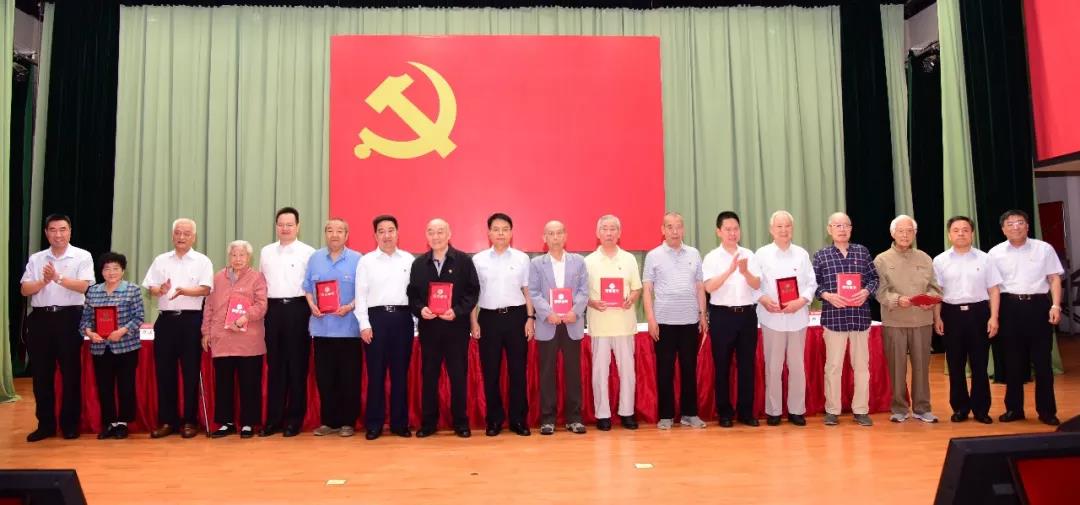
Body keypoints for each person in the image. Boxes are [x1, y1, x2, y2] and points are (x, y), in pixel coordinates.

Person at [21, 214, 95, 442]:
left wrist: (57, 277)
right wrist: (43, 281)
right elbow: (24, 290)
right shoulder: (37, 258)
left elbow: (84, 287)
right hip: (40, 319)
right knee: (41, 375)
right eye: (53, 230)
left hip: (70, 318)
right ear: (46, 233)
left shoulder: (82, 256)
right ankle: (45, 424)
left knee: (70, 373)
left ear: (70, 231)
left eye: (63, 229)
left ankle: (70, 425)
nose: (58, 234)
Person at [989, 209, 1065, 425]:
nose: (1016, 227)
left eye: (1020, 222)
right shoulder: (995, 253)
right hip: (1009, 308)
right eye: (1010, 224)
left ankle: (1047, 411)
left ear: (1027, 226)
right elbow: (993, 287)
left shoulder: (1044, 249)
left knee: (1042, 362)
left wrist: (1056, 305)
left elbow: (1054, 279)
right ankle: (1014, 409)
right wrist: (994, 315)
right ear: (1003, 229)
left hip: (1038, 307)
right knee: (1012, 361)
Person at [407, 218, 480, 438]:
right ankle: (428, 423)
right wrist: (421, 309)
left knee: (458, 376)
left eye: (440, 232)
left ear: (449, 234)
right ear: (426, 236)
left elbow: (473, 292)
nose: (436, 236)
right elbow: (413, 295)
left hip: (456, 329)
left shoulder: (463, 261)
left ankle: (461, 423)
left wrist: (457, 311)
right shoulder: (419, 264)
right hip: (429, 329)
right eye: (431, 232)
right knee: (429, 377)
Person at [143, 218, 214, 439]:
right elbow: (151, 286)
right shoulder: (161, 260)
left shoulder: (202, 261)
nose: (181, 237)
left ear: (194, 237)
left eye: (186, 233)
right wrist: (159, 290)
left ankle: (190, 421)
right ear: (172, 235)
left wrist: (184, 291)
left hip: (191, 321)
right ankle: (168, 421)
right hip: (165, 321)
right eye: (178, 233)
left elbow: (206, 289)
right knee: (164, 372)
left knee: (191, 372)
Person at [471, 213, 535, 437]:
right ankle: (494, 420)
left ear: (511, 232)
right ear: (488, 233)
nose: (500, 233)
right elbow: (473, 294)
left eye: (505, 229)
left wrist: (530, 318)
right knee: (491, 372)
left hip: (516, 318)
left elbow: (527, 291)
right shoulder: (478, 260)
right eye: (496, 229)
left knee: (518, 371)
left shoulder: (522, 258)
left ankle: (518, 420)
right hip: (488, 319)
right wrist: (473, 321)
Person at [932, 216, 1001, 424]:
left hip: (979, 314)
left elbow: (994, 290)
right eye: (956, 230)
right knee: (955, 365)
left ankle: (981, 409)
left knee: (980, 364)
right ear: (949, 234)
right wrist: (937, 317)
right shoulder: (940, 260)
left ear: (972, 233)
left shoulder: (985, 259)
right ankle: (960, 408)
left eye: (965, 229)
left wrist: (994, 317)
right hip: (951, 315)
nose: (960, 233)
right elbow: (937, 292)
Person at [812, 212, 879, 427]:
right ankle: (832, 410)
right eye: (837, 225)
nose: (842, 229)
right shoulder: (821, 255)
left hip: (859, 318)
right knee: (833, 366)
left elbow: (874, 278)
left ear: (851, 228)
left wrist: (866, 291)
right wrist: (827, 295)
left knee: (861, 367)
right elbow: (813, 284)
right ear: (829, 229)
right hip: (834, 319)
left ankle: (861, 410)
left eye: (846, 225)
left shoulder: (862, 252)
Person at [874, 215, 942, 424]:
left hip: (922, 320)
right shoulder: (881, 260)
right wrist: (897, 299)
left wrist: (931, 299)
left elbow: (934, 287)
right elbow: (879, 291)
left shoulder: (925, 258)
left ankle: (923, 408)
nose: (905, 235)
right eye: (901, 231)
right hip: (894, 320)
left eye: (909, 231)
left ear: (915, 233)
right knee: (897, 367)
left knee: (922, 367)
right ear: (892, 233)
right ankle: (899, 408)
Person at [642, 212, 707, 430]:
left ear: (683, 229)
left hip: (689, 321)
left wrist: (703, 314)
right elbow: (647, 289)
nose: (674, 231)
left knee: (689, 369)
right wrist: (651, 319)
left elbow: (699, 286)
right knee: (665, 370)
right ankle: (666, 416)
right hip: (664, 322)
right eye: (669, 227)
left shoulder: (694, 253)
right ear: (662, 230)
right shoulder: (653, 255)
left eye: (678, 226)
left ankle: (690, 414)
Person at [354, 215, 415, 440]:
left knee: (400, 375)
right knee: (376, 375)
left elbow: (415, 294)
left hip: (402, 319)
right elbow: (360, 295)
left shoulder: (409, 260)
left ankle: (400, 423)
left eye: (391, 230)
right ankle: (374, 423)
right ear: (375, 235)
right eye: (381, 231)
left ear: (398, 233)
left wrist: (415, 324)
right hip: (376, 320)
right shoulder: (366, 261)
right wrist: (364, 324)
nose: (387, 235)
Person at [755, 210, 816, 427]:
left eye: (787, 226)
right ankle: (773, 411)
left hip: (797, 318)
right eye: (779, 226)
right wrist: (763, 299)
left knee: (797, 367)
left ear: (792, 229)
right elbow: (754, 285)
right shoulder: (761, 254)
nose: (783, 230)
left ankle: (796, 410)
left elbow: (811, 283)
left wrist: (802, 300)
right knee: (773, 367)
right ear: (771, 230)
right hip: (772, 318)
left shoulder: (801, 254)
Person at [201, 240, 268, 439]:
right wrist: (206, 332)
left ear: (249, 257)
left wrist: (246, 316)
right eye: (234, 255)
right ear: (228, 257)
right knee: (223, 384)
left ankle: (248, 423)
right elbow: (209, 306)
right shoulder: (218, 277)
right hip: (222, 339)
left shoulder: (257, 277)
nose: (238, 259)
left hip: (249, 340)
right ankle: (226, 423)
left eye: (242, 255)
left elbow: (262, 305)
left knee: (249, 383)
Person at [528, 221, 589, 435]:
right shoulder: (536, 264)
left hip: (572, 323)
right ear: (544, 238)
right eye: (551, 234)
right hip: (548, 324)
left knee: (573, 372)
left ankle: (574, 418)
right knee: (547, 373)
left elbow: (584, 291)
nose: (555, 237)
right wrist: (548, 313)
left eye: (559, 233)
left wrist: (575, 311)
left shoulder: (578, 262)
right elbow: (534, 292)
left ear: (565, 236)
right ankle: (548, 419)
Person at [259, 207, 315, 438]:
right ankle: (274, 420)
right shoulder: (266, 252)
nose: (285, 228)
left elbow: (312, 286)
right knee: (276, 366)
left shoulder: (308, 252)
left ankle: (294, 420)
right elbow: (261, 283)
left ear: (298, 226)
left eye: (289, 225)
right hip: (272, 311)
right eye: (281, 224)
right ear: (276, 226)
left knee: (296, 367)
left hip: (298, 309)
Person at [303, 218, 362, 437]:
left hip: (349, 330)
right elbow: (307, 288)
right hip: (322, 329)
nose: (334, 235)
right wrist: (311, 305)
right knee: (325, 379)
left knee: (349, 379)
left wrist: (350, 306)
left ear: (347, 235)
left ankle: (348, 422)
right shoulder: (315, 258)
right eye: (330, 230)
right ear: (325, 234)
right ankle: (329, 421)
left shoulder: (358, 259)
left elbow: (363, 292)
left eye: (339, 231)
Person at [702, 211, 762, 428]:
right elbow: (709, 287)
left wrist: (745, 272)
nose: (732, 233)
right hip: (722, 316)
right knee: (722, 366)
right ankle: (724, 413)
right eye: (727, 229)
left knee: (747, 365)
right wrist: (729, 270)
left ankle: (746, 412)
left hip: (747, 315)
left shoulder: (749, 255)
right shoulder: (712, 257)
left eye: (735, 229)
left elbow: (757, 284)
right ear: (718, 232)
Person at [584, 214, 642, 431]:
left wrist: (631, 299)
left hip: (624, 324)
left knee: (627, 371)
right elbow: (582, 293)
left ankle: (627, 413)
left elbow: (636, 288)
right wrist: (592, 302)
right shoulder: (588, 261)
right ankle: (602, 415)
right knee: (600, 372)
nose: (609, 233)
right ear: (597, 233)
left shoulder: (629, 259)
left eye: (613, 229)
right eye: (605, 229)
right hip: (599, 325)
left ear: (619, 233)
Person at [80, 252, 144, 440]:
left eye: (116, 268)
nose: (111, 272)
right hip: (100, 348)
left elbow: (139, 317)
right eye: (107, 268)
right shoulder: (93, 291)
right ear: (101, 272)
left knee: (126, 386)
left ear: (123, 271)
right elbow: (85, 319)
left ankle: (123, 423)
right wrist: (90, 333)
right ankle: (109, 423)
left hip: (126, 347)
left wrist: (122, 331)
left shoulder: (132, 289)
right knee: (104, 387)